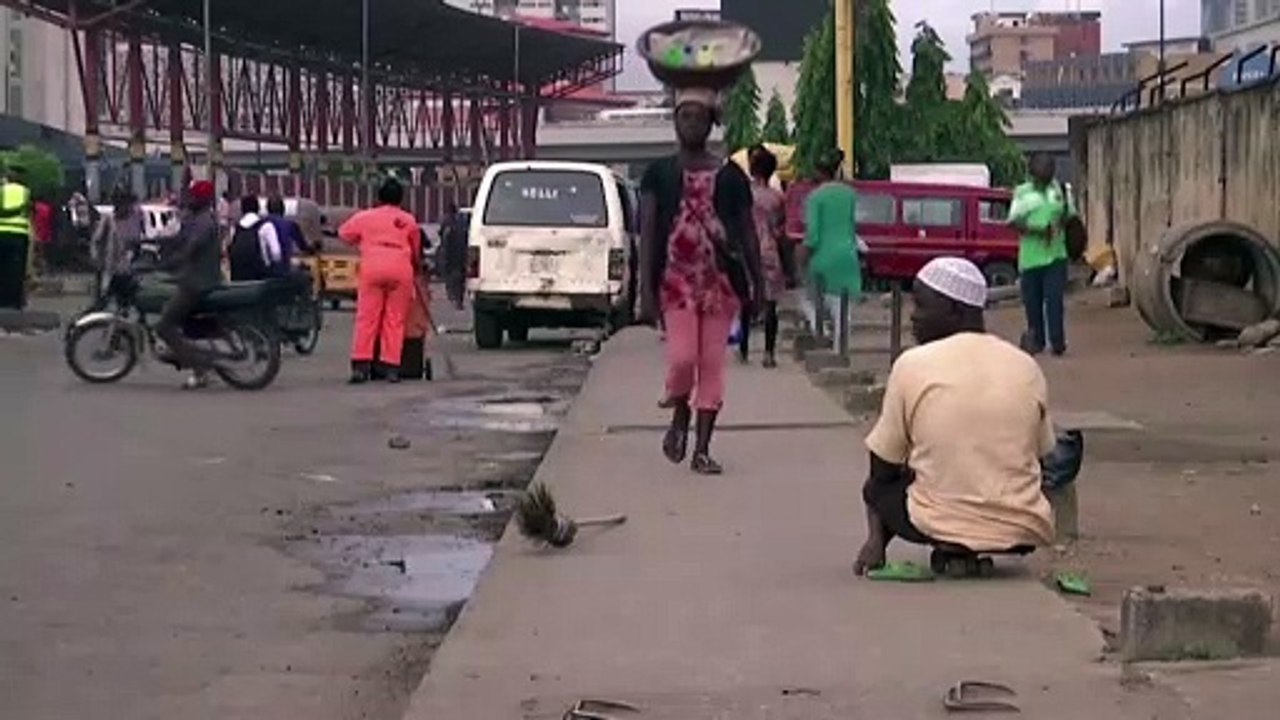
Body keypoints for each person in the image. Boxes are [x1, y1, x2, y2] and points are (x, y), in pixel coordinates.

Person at [853, 257, 1057, 576]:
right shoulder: (1025, 365)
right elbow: (1044, 453)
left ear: (956, 311)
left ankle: (879, 545)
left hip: (936, 522)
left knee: (877, 488)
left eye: (921, 306)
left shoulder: (913, 364)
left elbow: (882, 466)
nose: (913, 317)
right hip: (1023, 526)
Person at [639, 87, 763, 475]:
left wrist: (758, 285)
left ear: (712, 123)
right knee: (682, 359)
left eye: (698, 117)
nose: (690, 123)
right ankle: (679, 411)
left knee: (711, 366)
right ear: (674, 122)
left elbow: (747, 232)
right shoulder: (659, 173)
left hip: (720, 287)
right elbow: (649, 231)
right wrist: (644, 290)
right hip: (675, 284)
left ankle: (702, 450)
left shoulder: (730, 175)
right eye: (683, 116)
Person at [339, 176, 421, 384]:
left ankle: (360, 366)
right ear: (401, 198)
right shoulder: (408, 220)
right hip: (400, 269)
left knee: (367, 318)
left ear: (378, 196)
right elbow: (416, 251)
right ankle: (391, 367)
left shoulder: (365, 217)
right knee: (395, 319)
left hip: (372, 268)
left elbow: (344, 234)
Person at [156, 180, 224, 390]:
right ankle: (186, 352)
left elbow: (189, 249)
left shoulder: (204, 222)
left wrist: (167, 263)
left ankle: (200, 367)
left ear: (201, 200)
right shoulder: (199, 219)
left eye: (192, 197)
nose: (188, 200)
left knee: (163, 326)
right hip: (198, 278)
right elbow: (180, 240)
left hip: (197, 283)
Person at [1011, 152, 1077, 357]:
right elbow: (1013, 222)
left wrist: (1063, 225)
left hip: (1056, 255)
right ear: (1032, 175)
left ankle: (1057, 342)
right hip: (1030, 259)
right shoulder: (1022, 193)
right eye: (1041, 176)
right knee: (1033, 303)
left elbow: (1071, 216)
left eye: (1048, 175)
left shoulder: (1061, 190)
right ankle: (1037, 340)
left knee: (1055, 300)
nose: (1045, 180)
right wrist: (1039, 229)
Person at [800, 150, 862, 349]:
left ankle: (821, 332)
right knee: (842, 312)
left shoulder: (815, 198)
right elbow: (852, 227)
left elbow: (813, 236)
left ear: (819, 172)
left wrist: (801, 258)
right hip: (848, 258)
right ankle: (840, 351)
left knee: (807, 299)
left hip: (822, 259)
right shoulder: (850, 195)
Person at [738, 146, 787, 368]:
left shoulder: (745, 195)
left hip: (747, 251)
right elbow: (780, 227)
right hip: (769, 252)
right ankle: (769, 353)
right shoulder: (777, 198)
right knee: (770, 305)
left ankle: (744, 348)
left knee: (746, 302)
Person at [89, 185, 145, 311]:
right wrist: (97, 260)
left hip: (126, 271)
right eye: (125, 204)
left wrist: (134, 254)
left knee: (127, 303)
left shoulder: (134, 219)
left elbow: (136, 243)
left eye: (130, 204)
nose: (129, 208)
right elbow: (96, 241)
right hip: (109, 269)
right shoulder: (108, 220)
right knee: (102, 302)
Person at [227, 195, 283, 281]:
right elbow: (276, 254)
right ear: (258, 208)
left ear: (242, 210)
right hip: (260, 280)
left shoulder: (235, 228)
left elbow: (229, 249)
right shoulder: (266, 226)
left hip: (238, 280)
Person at [0, 167, 32, 309]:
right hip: (19, 234)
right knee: (17, 270)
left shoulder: (1, 191)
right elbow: (28, 211)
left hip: (1, 233)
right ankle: (15, 302)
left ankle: (2, 300)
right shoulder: (25, 192)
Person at [439, 203, 468, 310]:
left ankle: (453, 295)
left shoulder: (446, 221)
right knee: (460, 277)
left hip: (450, 252)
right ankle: (458, 298)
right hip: (461, 252)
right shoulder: (462, 222)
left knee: (451, 275)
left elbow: (442, 235)